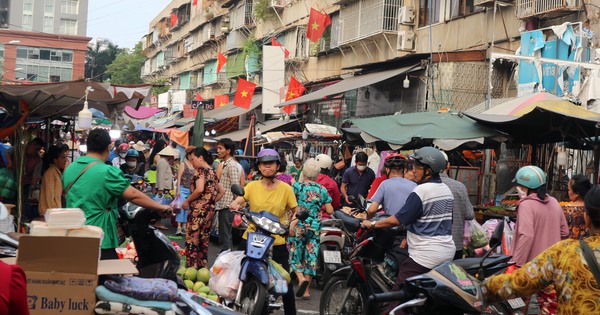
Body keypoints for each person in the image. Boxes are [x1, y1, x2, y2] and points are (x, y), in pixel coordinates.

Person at [484, 184, 600, 314]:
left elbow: (520, 282)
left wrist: (483, 286)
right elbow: (564, 230)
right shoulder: (554, 203)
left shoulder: (565, 252)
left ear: (587, 219)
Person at [62, 129, 171, 260]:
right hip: (99, 239)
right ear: (109, 147)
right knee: (106, 278)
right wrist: (161, 207)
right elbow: (133, 195)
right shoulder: (107, 172)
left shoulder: (70, 168)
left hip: (72, 236)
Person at [361, 147, 455, 290]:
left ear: (429, 171)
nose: (413, 171)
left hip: (425, 255)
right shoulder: (445, 190)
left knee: (398, 296)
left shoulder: (421, 190)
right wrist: (408, 236)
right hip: (447, 251)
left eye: (417, 167)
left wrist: (372, 224)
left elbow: (397, 219)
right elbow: (432, 219)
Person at [229, 148, 299, 315]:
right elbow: (240, 199)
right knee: (235, 273)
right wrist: (235, 205)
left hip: (277, 241)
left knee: (285, 283)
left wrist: (292, 226)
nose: (268, 167)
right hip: (252, 237)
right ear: (259, 167)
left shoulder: (286, 189)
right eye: (264, 164)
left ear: (277, 166)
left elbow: (296, 211)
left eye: (271, 164)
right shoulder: (252, 186)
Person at [511, 165, 570, 314]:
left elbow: (527, 235)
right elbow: (565, 231)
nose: (518, 188)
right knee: (550, 308)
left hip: (530, 267)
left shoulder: (526, 205)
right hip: (552, 267)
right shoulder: (555, 202)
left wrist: (516, 264)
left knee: (518, 307)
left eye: (519, 185)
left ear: (526, 187)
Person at [289, 158, 333, 299]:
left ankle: (300, 278)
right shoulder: (322, 189)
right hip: (315, 227)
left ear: (304, 172)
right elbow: (330, 210)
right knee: (311, 256)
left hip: (298, 224)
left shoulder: (297, 187)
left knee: (295, 252)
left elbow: (289, 203)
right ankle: (307, 291)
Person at [182, 147, 224, 269]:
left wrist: (187, 201)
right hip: (209, 212)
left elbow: (199, 189)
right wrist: (209, 202)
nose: (192, 162)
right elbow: (222, 191)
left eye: (193, 159)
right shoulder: (212, 172)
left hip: (197, 212)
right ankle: (202, 269)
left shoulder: (200, 171)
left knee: (192, 240)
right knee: (203, 241)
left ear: (200, 158)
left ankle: (191, 270)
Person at [439, 151, 475, 259]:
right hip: (455, 244)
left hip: (430, 247)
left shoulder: (423, 186)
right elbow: (470, 214)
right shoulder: (459, 187)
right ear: (448, 166)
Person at [366, 153, 416, 218]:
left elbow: (372, 210)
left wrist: (369, 219)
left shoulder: (384, 184)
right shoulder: (414, 185)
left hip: (389, 225)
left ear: (387, 170)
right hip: (408, 225)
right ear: (405, 170)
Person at [214, 139, 242, 252]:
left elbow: (236, 186)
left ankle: (226, 257)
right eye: (218, 148)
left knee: (225, 234)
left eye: (220, 148)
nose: (218, 151)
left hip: (227, 205)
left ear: (228, 150)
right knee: (223, 233)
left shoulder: (231, 165)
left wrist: (234, 203)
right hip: (223, 204)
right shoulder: (225, 164)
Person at [38, 145, 69, 216]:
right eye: (62, 158)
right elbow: (50, 199)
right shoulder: (51, 173)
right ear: (55, 160)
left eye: (66, 158)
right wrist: (55, 215)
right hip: (49, 215)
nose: (65, 161)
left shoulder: (56, 173)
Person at [562, 174, 592, 239]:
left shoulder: (565, 210)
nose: (568, 193)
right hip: (588, 247)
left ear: (576, 194)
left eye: (569, 190)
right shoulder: (592, 208)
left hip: (568, 247)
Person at [175, 146, 195, 236]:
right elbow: (179, 177)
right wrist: (178, 190)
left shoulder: (195, 165)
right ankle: (179, 226)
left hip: (191, 190)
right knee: (181, 207)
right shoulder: (183, 164)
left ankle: (184, 226)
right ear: (189, 155)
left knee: (187, 209)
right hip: (182, 188)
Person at [23, 138, 45, 219]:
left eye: (38, 150)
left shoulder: (38, 160)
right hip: (15, 182)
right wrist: (10, 161)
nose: (36, 152)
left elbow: (36, 177)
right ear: (31, 145)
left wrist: (33, 189)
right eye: (36, 149)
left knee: (25, 207)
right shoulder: (20, 150)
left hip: (27, 186)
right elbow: (8, 152)